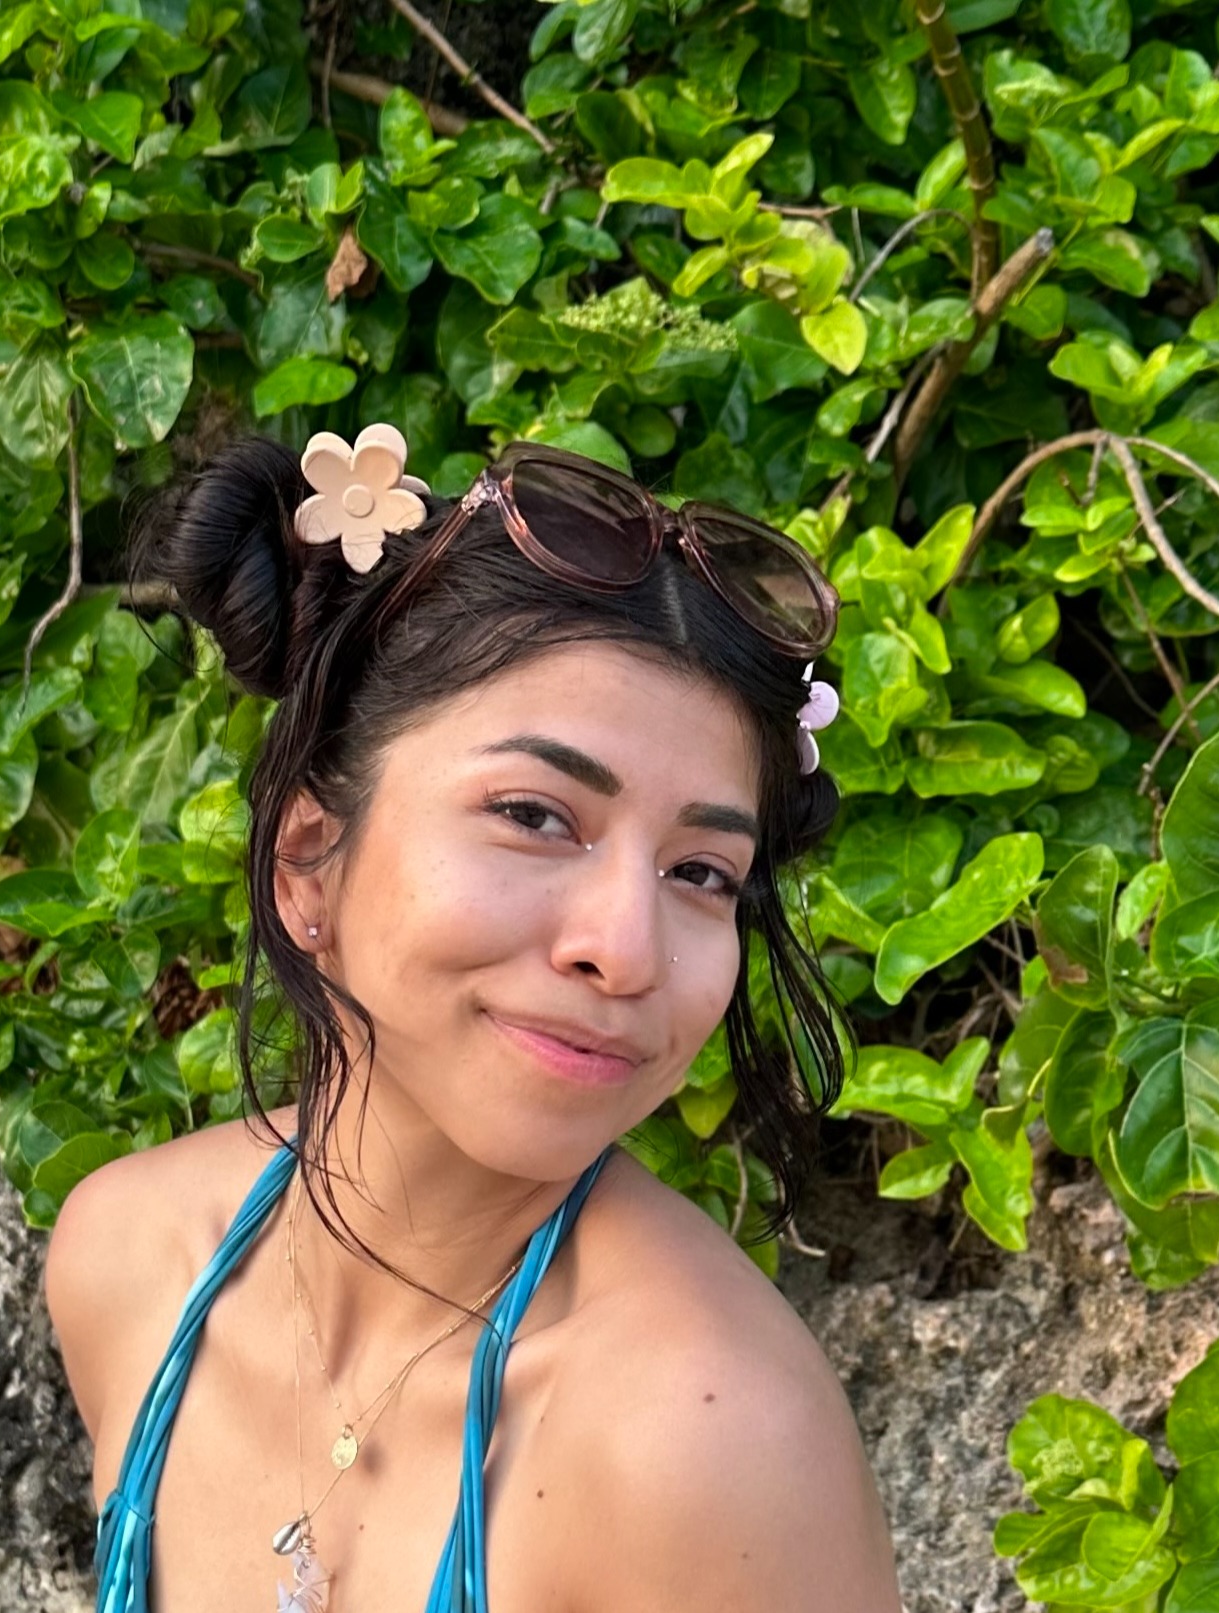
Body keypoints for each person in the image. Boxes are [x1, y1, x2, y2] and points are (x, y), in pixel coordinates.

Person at [44, 425, 905, 1613]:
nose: (625, 947)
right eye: (534, 815)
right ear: (308, 860)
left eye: (701, 871)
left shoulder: (706, 1441)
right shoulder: (126, 1259)